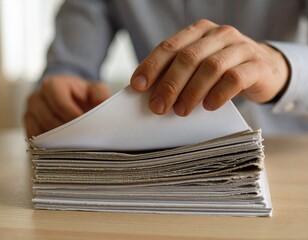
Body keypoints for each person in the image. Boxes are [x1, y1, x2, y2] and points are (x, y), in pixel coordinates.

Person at [24, 0, 308, 138]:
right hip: (155, 165)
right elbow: (71, 67)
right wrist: (56, 95)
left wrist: (283, 67)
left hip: (289, 156)